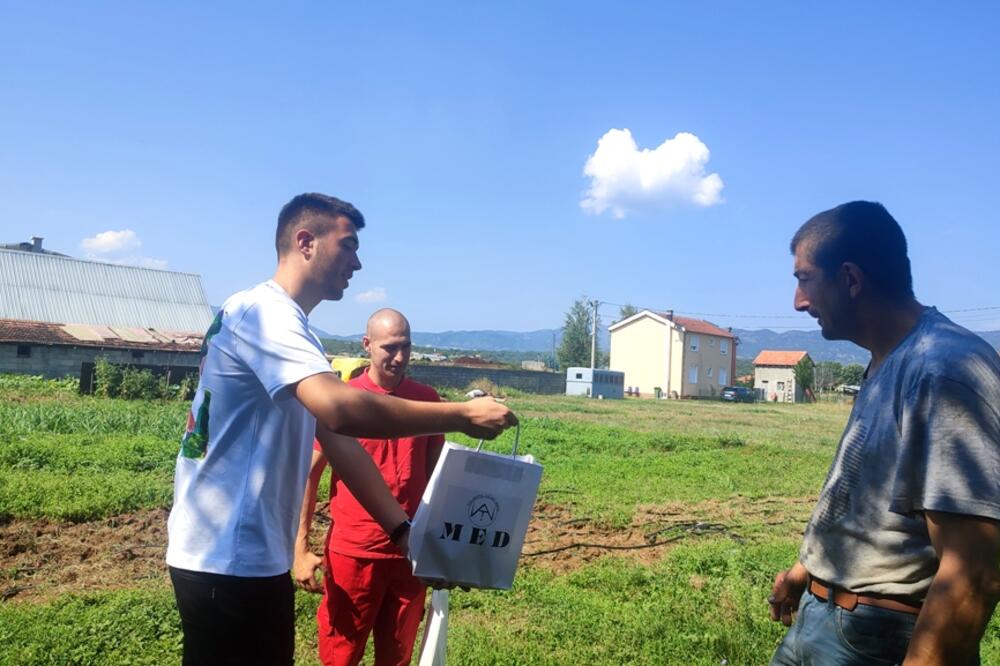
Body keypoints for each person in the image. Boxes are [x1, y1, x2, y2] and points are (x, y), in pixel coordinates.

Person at [165, 193, 516, 666]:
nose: (358, 262)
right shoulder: (265, 313)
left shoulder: (295, 330)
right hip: (226, 559)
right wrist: (462, 414)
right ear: (305, 241)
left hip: (249, 557)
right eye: (348, 245)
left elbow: (338, 441)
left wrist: (402, 533)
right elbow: (340, 411)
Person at [768, 201, 1000, 665]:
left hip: (873, 637)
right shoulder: (886, 361)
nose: (798, 301)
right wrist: (807, 569)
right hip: (825, 616)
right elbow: (869, 498)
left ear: (851, 279)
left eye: (804, 278)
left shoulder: (942, 369)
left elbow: (973, 569)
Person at [294, 308, 442, 666]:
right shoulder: (343, 401)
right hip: (354, 553)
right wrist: (299, 547)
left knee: (397, 656)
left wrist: (445, 550)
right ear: (367, 345)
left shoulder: (426, 401)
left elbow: (440, 478)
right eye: (390, 347)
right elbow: (308, 475)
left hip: (409, 554)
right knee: (340, 654)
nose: (400, 357)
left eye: (406, 347)